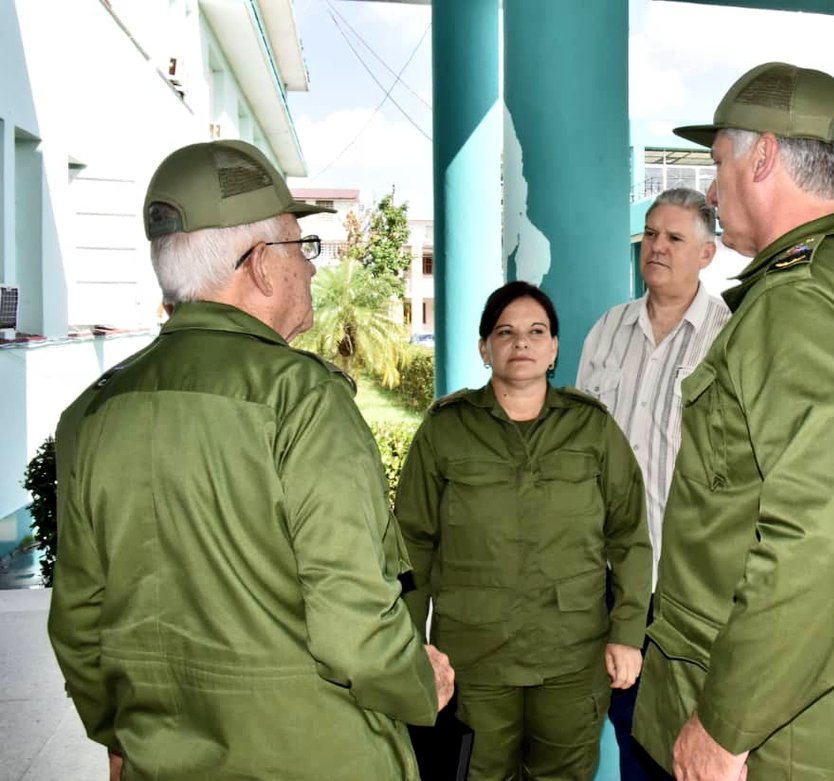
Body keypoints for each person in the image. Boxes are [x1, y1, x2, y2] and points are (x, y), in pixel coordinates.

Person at [48, 139, 454, 781]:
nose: (313, 270)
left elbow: (78, 623)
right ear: (261, 265)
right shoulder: (301, 398)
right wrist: (417, 683)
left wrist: (122, 736)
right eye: (303, 247)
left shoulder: (92, 412)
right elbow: (355, 630)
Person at [632, 62, 834, 780]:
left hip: (785, 740)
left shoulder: (800, 302)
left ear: (764, 156)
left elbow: (820, 539)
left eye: (719, 163)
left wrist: (724, 722)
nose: (711, 189)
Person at [395, 281, 653, 780]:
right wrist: (410, 648)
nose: (521, 343)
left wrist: (626, 634)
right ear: (484, 347)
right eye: (505, 332)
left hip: (572, 658)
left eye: (537, 331)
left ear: (555, 348)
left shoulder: (592, 428)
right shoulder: (445, 430)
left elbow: (629, 537)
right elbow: (412, 545)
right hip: (474, 660)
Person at [576, 187, 730, 780]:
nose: (657, 248)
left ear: (707, 254)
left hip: (686, 585)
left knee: (689, 738)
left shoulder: (728, 339)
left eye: (674, 238)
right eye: (651, 234)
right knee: (628, 725)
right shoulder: (607, 331)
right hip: (612, 579)